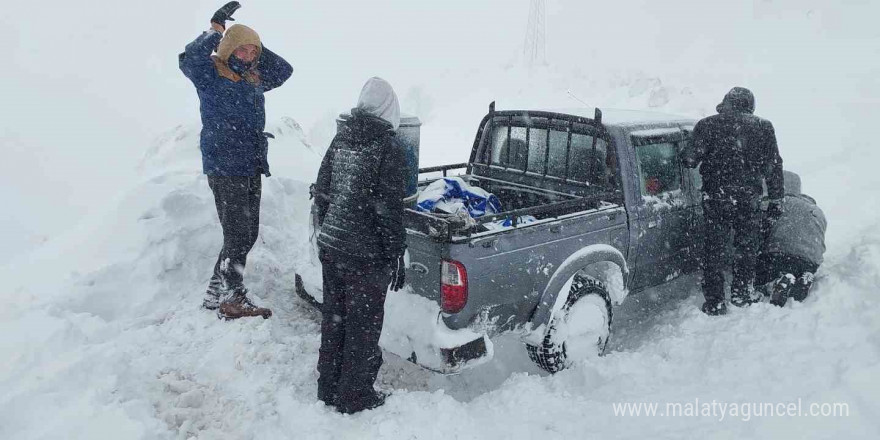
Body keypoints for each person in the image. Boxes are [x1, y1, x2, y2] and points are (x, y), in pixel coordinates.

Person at [179, 2, 293, 320]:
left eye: (252, 52)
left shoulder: (253, 80)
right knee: (237, 233)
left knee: (248, 232)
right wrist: (218, 30)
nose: (247, 56)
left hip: (250, 163)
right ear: (227, 49)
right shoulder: (211, 76)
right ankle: (231, 297)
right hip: (225, 164)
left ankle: (217, 291)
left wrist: (251, 40)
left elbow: (284, 70)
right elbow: (189, 60)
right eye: (240, 50)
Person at [312, 77, 408, 414]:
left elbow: (322, 190)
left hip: (333, 246)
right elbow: (388, 207)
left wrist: (328, 230)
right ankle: (355, 395)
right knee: (363, 327)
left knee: (335, 319)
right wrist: (396, 252)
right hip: (366, 255)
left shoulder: (342, 136)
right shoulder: (388, 146)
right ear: (388, 109)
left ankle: (328, 386)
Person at [687, 87, 785, 316]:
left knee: (713, 250)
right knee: (746, 248)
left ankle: (715, 302)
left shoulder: (707, 125)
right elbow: (773, 166)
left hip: (716, 198)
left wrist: (697, 151)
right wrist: (776, 199)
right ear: (750, 105)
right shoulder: (763, 126)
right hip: (747, 199)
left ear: (726, 102)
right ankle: (741, 294)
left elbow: (690, 159)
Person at [756, 192, 827, 306]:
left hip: (778, 255)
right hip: (808, 260)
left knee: (760, 277)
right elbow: (821, 245)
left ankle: (775, 282)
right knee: (798, 266)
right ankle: (804, 277)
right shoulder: (819, 213)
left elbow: (762, 230)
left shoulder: (782, 202)